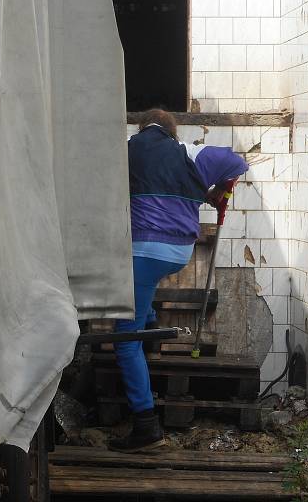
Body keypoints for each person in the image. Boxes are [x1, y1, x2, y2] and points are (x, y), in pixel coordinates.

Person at [108, 108, 248, 452]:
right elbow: (238, 162)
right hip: (178, 253)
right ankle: (152, 329)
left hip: (141, 250)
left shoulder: (125, 146)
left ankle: (146, 426)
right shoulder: (189, 152)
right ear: (172, 132)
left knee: (125, 340)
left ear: (142, 127)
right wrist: (215, 191)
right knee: (146, 285)